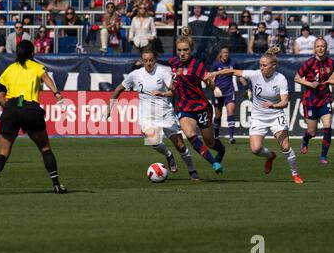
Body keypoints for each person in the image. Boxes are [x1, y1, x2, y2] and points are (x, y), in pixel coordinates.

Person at [0, 40, 67, 194]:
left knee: (3, 152)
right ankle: (56, 185)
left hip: (11, 109)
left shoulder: (9, 69)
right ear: (32, 53)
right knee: (45, 148)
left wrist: (6, 106)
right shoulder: (36, 67)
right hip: (30, 109)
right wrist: (57, 93)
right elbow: (47, 79)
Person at [212, 47, 304, 184]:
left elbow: (285, 102)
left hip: (275, 115)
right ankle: (270, 156)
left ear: (273, 65)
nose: (261, 68)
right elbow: (232, 71)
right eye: (260, 65)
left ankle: (295, 174)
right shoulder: (255, 74)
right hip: (258, 117)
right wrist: (214, 73)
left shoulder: (281, 79)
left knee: (285, 146)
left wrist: (273, 106)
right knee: (255, 149)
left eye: (264, 65)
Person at [106, 49, 200, 181]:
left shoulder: (163, 72)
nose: (148, 63)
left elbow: (175, 91)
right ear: (142, 61)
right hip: (147, 117)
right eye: (146, 61)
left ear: (154, 60)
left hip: (166, 114)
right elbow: (118, 89)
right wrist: (110, 108)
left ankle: (192, 171)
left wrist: (162, 93)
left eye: (151, 60)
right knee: (153, 140)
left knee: (181, 146)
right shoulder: (135, 75)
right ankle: (169, 156)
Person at [169, 31, 226, 174]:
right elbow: (174, 80)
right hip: (184, 108)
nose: (182, 53)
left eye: (185, 50)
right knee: (189, 134)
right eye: (179, 50)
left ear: (191, 50)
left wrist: (213, 87)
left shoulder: (196, 65)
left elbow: (208, 80)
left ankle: (222, 149)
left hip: (201, 108)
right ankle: (214, 164)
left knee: (210, 142)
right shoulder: (173, 63)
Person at [294, 38, 334, 164]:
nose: (320, 48)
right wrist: (310, 84)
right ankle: (305, 139)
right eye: (318, 46)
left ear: (326, 48)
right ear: (314, 48)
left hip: (325, 99)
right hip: (310, 101)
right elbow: (297, 78)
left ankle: (323, 156)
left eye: (322, 46)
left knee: (328, 127)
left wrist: (329, 81)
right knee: (312, 132)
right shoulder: (309, 63)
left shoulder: (331, 63)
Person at [210, 46, 249, 143]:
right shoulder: (215, 64)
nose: (226, 54)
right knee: (218, 116)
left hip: (229, 91)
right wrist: (214, 87)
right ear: (220, 54)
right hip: (218, 93)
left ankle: (231, 137)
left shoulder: (233, 63)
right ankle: (216, 136)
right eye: (224, 52)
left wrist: (246, 87)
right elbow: (210, 78)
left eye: (227, 52)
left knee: (230, 112)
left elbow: (240, 76)